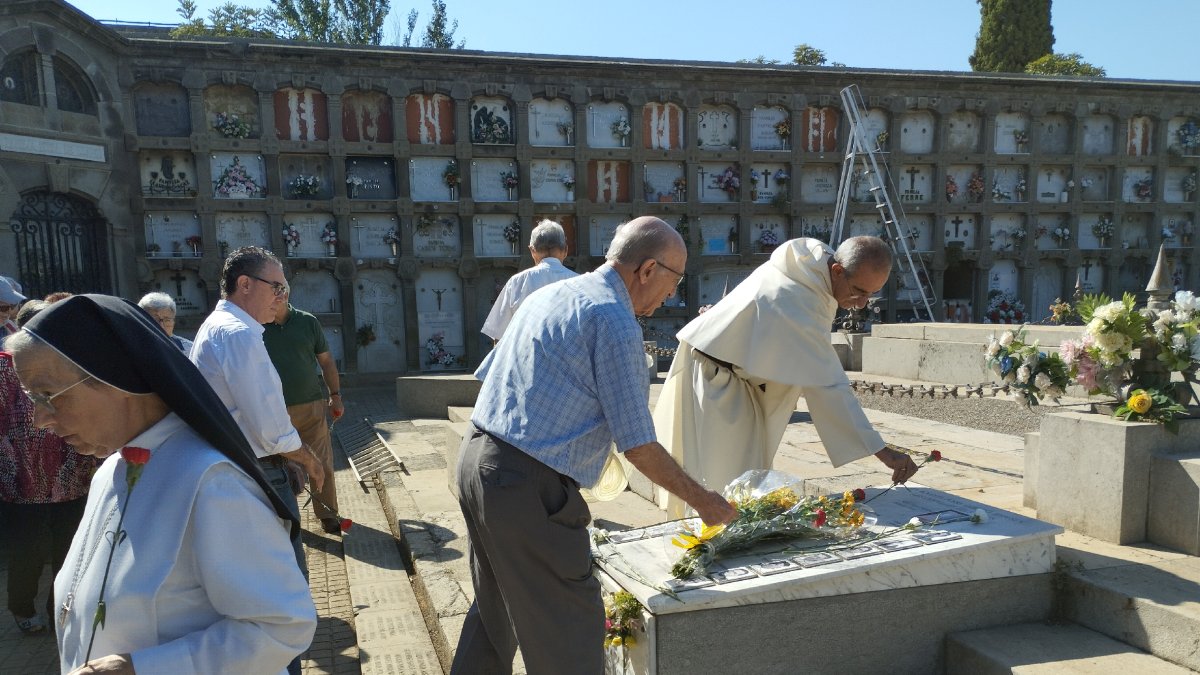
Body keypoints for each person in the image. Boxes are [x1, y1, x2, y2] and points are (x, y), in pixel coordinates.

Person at [453, 216, 736, 675]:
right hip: (527, 487)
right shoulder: (613, 319)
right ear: (647, 270)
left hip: (477, 460)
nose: (673, 294)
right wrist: (704, 501)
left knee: (495, 611)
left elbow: (488, 375)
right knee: (571, 626)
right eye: (674, 280)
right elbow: (638, 445)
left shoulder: (551, 294)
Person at [8, 294, 315, 674]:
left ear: (111, 375)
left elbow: (283, 626)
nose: (39, 419)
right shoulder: (111, 468)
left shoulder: (212, 483)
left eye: (46, 395)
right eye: (30, 397)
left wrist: (145, 669)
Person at [652, 236, 919, 517]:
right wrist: (883, 452)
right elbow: (829, 387)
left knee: (745, 480)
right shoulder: (802, 300)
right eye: (859, 291)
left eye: (871, 296)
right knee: (726, 483)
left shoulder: (811, 266)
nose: (862, 304)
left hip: (732, 376)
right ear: (838, 271)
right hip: (716, 381)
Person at [190, 246, 325, 584]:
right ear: (245, 284)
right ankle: (295, 632)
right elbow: (269, 428)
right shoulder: (238, 334)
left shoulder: (221, 326)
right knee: (284, 572)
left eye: (285, 289)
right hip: (257, 471)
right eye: (276, 287)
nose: (282, 297)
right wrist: (310, 460)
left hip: (240, 465)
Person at [0, 300, 97, 636]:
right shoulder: (4, 367)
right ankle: (22, 608)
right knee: (26, 550)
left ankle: (60, 610)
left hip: (71, 475)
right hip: (21, 480)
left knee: (69, 549)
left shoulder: (67, 361)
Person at [262, 291, 344, 535]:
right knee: (280, 466)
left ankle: (328, 514)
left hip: (310, 406)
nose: (272, 300)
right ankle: (286, 515)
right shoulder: (257, 325)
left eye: (277, 295)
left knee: (321, 460)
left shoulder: (308, 322)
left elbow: (326, 361)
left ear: (286, 294)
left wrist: (335, 395)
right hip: (272, 409)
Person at [480, 219, 577, 341]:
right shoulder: (581, 283)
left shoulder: (516, 282)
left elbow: (499, 336)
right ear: (566, 251)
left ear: (532, 251)